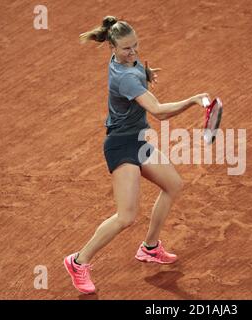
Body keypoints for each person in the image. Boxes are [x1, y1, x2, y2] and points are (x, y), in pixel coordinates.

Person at [63, 15, 210, 294]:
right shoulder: (126, 77)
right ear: (113, 48)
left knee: (173, 184)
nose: (133, 52)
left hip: (138, 140)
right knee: (125, 216)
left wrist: (145, 73)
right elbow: (159, 112)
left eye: (136, 46)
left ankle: (150, 248)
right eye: (127, 48)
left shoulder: (124, 63)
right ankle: (78, 261)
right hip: (121, 145)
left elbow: (135, 71)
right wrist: (193, 100)